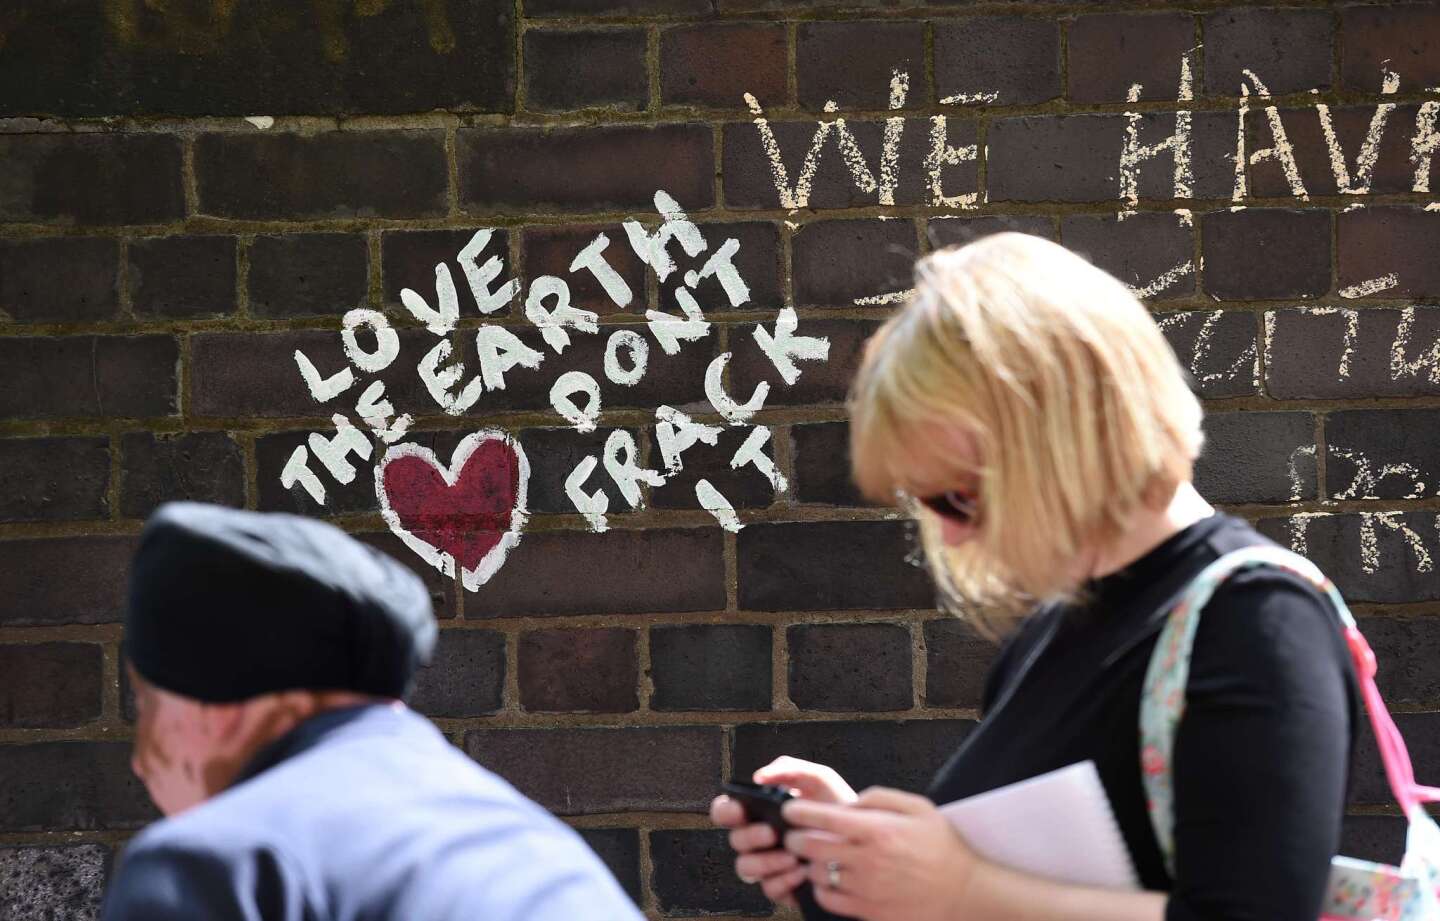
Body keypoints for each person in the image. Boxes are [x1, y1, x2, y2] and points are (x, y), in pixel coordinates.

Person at [712, 233, 1357, 921]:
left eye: (958, 494)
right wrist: (862, 865)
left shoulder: (1255, 620)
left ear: (1063, 440)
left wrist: (960, 890)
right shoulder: (1061, 621)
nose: (951, 532)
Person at [103, 501, 642, 921]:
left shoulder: (219, 866)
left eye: (148, 702)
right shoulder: (537, 847)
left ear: (217, 703)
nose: (139, 760)